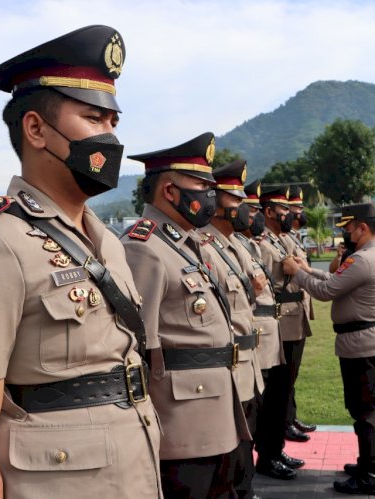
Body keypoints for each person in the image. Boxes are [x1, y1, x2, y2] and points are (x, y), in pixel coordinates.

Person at [0, 25, 162, 498]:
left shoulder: (107, 241)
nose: (110, 137)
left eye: (113, 122)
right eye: (94, 119)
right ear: (36, 129)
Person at [122, 133, 250, 498]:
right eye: (200, 185)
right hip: (181, 424)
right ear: (169, 191)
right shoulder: (143, 248)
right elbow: (137, 347)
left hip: (214, 409)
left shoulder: (183, 243)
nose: (209, 194)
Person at [283, 203, 375, 496]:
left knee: (364, 410)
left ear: (363, 228)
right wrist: (308, 269)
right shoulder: (372, 255)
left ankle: (370, 475)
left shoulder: (363, 260)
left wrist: (297, 273)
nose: (345, 233)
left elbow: (326, 291)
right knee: (373, 406)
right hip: (371, 340)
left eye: (348, 227)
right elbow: (336, 281)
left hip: (362, 344)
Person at [199, 159, 265, 498]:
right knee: (231, 458)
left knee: (245, 452)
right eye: (234, 202)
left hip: (249, 365)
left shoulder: (237, 244)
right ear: (214, 201)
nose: (243, 211)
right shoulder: (203, 245)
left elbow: (259, 286)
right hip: (228, 367)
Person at [240, 180, 302, 481]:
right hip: (259, 330)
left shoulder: (255, 243)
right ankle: (265, 456)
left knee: (277, 396)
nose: (254, 217)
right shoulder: (252, 245)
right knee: (261, 403)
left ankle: (272, 451)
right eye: (249, 210)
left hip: (273, 326)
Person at [279, 185, 316, 437]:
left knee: (292, 373)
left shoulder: (292, 236)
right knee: (285, 374)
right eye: (295, 208)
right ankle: (284, 422)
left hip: (298, 308)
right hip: (286, 312)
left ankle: (290, 417)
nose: (299, 213)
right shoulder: (280, 238)